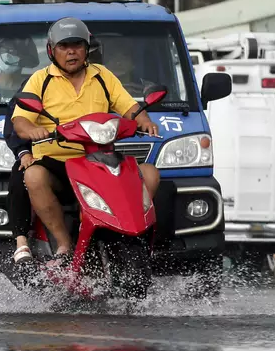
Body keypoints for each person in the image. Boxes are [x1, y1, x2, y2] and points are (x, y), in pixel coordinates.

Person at [10, 17, 162, 263]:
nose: (72, 52)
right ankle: (64, 244)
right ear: (51, 50)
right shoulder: (40, 79)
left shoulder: (103, 76)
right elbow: (21, 121)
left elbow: (130, 108)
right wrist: (32, 130)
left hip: (99, 161)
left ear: (87, 48)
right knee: (33, 176)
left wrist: (144, 120)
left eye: (77, 45)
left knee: (150, 173)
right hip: (58, 163)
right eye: (64, 46)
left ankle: (134, 237)